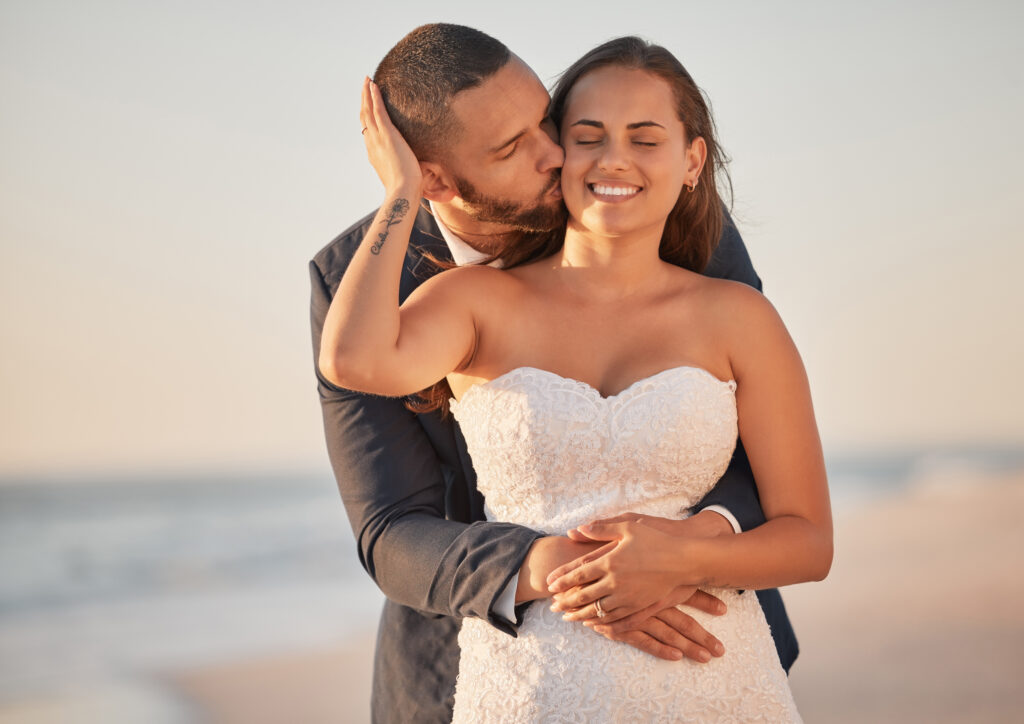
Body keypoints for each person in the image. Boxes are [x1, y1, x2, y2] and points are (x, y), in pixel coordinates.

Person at [310, 24, 804, 723]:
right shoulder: (356, 285)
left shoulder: (645, 201)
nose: (554, 154)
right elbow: (391, 529)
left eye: (546, 118)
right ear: (436, 180)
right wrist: (570, 573)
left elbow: (763, 441)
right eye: (512, 147)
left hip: (702, 642)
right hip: (493, 659)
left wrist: (691, 546)